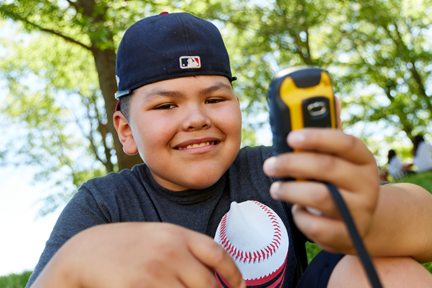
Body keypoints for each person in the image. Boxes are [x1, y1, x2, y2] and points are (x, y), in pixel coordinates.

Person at [26, 12, 432, 288]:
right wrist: (74, 262)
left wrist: (369, 214)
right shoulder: (104, 204)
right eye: (166, 105)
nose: (196, 118)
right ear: (126, 130)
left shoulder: (272, 168)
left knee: (382, 265)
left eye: (215, 98)